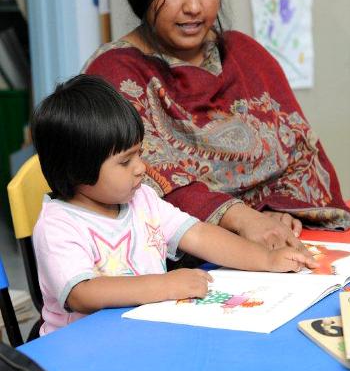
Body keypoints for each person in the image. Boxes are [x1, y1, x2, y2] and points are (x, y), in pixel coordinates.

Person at [84, 0, 350, 258]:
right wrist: (241, 219)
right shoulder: (114, 74)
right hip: (179, 262)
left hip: (278, 242)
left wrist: (282, 212)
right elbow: (140, 185)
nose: (194, 7)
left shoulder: (245, 55)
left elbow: (299, 153)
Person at [31, 75, 317, 335]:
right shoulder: (57, 225)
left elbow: (200, 235)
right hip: (80, 354)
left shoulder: (140, 199)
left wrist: (265, 260)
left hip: (145, 336)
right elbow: (82, 293)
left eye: (139, 154)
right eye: (125, 161)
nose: (141, 168)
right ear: (77, 169)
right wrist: (165, 285)